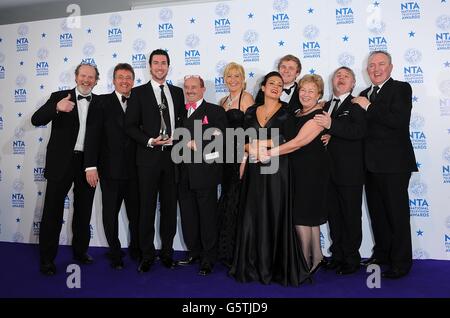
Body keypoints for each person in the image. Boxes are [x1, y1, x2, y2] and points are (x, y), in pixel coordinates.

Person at [229, 71, 310, 286]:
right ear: (263, 87)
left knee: (274, 213)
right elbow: (241, 141)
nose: (276, 86)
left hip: (278, 170)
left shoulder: (287, 112)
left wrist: (261, 143)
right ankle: (251, 266)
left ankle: (275, 268)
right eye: (271, 82)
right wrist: (251, 147)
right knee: (251, 215)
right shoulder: (250, 111)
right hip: (254, 169)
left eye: (280, 84)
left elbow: (290, 140)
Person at [352, 51, 417, 279]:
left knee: (396, 215)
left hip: (394, 165)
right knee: (377, 214)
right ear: (366, 70)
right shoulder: (363, 94)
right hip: (369, 165)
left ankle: (401, 262)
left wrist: (368, 107)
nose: (376, 69)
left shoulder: (401, 88)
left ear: (390, 67)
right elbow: (356, 129)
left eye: (381, 64)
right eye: (371, 65)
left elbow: (398, 121)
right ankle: (382, 254)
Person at [31, 63, 100, 275]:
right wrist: (56, 108)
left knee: (83, 211)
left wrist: (93, 165)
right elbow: (36, 120)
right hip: (61, 163)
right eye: (83, 76)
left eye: (91, 77)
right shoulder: (59, 96)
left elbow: (99, 138)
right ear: (76, 76)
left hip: (87, 164)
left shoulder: (99, 103)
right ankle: (47, 259)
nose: (86, 80)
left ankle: (80, 251)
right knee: (52, 212)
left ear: (96, 80)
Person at [125, 49, 185, 272]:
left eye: (164, 63)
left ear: (169, 66)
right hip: (148, 159)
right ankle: (147, 254)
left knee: (170, 208)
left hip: (172, 160)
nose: (160, 67)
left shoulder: (178, 93)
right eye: (156, 63)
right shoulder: (138, 93)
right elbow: (129, 126)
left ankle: (167, 253)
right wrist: (150, 140)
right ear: (150, 66)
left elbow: (183, 124)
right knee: (146, 209)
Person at [264, 74, 330, 274]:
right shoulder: (297, 113)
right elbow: (283, 138)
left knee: (303, 216)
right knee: (307, 216)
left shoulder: (318, 115)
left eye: (312, 91)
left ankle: (302, 261)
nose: (306, 94)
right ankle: (316, 257)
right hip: (298, 170)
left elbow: (297, 143)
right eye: (303, 90)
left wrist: (268, 153)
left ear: (319, 95)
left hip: (312, 172)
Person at [84, 63, 140, 270]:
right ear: (114, 80)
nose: (125, 81)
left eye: (128, 77)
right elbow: (92, 135)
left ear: (133, 81)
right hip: (109, 171)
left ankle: (136, 249)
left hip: (135, 170)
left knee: (137, 215)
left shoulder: (139, 101)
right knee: (110, 214)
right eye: (120, 77)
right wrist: (90, 166)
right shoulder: (101, 103)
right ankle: (115, 253)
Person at [313, 67, 367, 275]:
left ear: (353, 83)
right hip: (327, 173)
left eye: (346, 76)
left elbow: (359, 132)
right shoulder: (324, 106)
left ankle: (351, 258)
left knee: (350, 216)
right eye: (338, 75)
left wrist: (332, 126)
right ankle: (337, 255)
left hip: (350, 172)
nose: (341, 78)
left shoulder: (356, 105)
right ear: (332, 81)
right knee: (334, 216)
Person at [176, 75, 227, 275]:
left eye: (194, 87)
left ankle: (208, 257)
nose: (190, 90)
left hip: (205, 173)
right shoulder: (180, 112)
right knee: (188, 215)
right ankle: (193, 252)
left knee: (207, 217)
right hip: (182, 173)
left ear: (203, 89)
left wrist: (196, 144)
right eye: (187, 87)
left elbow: (221, 140)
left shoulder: (215, 111)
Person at [216, 62, 254, 267]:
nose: (233, 80)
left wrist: (244, 159)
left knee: (237, 202)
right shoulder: (223, 101)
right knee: (227, 199)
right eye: (229, 77)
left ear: (243, 79)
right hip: (225, 157)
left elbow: (252, 131)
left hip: (240, 157)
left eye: (236, 76)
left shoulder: (246, 98)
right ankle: (226, 251)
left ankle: (239, 253)